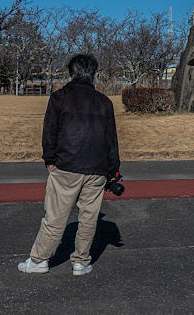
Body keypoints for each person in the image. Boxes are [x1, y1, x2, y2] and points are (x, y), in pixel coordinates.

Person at [18, 54, 121, 276]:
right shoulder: (105, 102)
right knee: (88, 219)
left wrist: (50, 160)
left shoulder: (59, 97)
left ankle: (39, 260)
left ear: (71, 73)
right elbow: (111, 140)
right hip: (96, 169)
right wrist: (113, 170)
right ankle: (81, 262)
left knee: (55, 218)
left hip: (66, 166)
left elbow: (50, 133)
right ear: (93, 74)